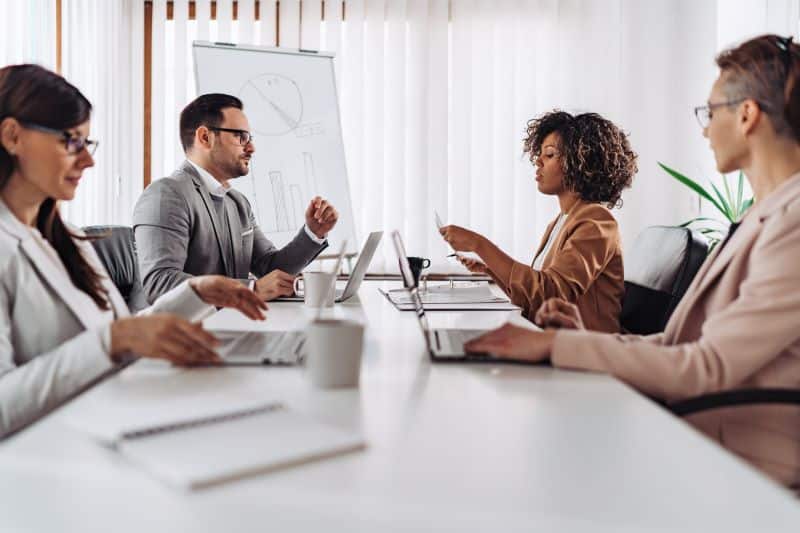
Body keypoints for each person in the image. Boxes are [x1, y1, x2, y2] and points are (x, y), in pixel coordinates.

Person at [466, 34, 800, 492]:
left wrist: (554, 348)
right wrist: (582, 342)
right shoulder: (761, 215)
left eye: (710, 112)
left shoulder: (793, 225)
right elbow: (678, 343)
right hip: (698, 427)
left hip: (736, 459)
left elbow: (707, 367)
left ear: (746, 114)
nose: (704, 129)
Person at [0, 65, 267, 438]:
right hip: (49, 459)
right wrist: (114, 341)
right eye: (70, 142)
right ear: (12, 136)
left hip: (110, 423)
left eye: (87, 143)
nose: (88, 160)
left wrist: (196, 293)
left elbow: (123, 333)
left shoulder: (67, 239)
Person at [439, 111, 637, 332]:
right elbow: (534, 299)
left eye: (549, 154)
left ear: (580, 161)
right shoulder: (560, 222)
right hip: (554, 340)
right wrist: (490, 268)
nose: (538, 161)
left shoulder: (597, 221)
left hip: (583, 351)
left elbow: (551, 294)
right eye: (540, 154)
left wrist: (479, 244)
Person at [133, 94, 339, 304]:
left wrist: (313, 233)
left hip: (231, 325)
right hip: (182, 333)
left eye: (250, 138)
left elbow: (269, 270)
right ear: (205, 137)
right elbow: (159, 283)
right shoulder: (166, 195)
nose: (251, 148)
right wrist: (251, 290)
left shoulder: (237, 203)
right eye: (241, 137)